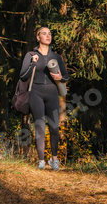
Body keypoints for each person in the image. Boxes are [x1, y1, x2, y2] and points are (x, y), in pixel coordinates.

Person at [19, 27, 69, 170]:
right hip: (36, 93)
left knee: (54, 128)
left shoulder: (56, 57)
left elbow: (66, 76)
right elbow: (23, 76)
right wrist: (32, 63)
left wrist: (61, 77)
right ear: (38, 37)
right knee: (39, 127)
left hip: (52, 94)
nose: (48, 36)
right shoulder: (30, 55)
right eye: (44, 33)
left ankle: (54, 160)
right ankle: (41, 161)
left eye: (49, 33)